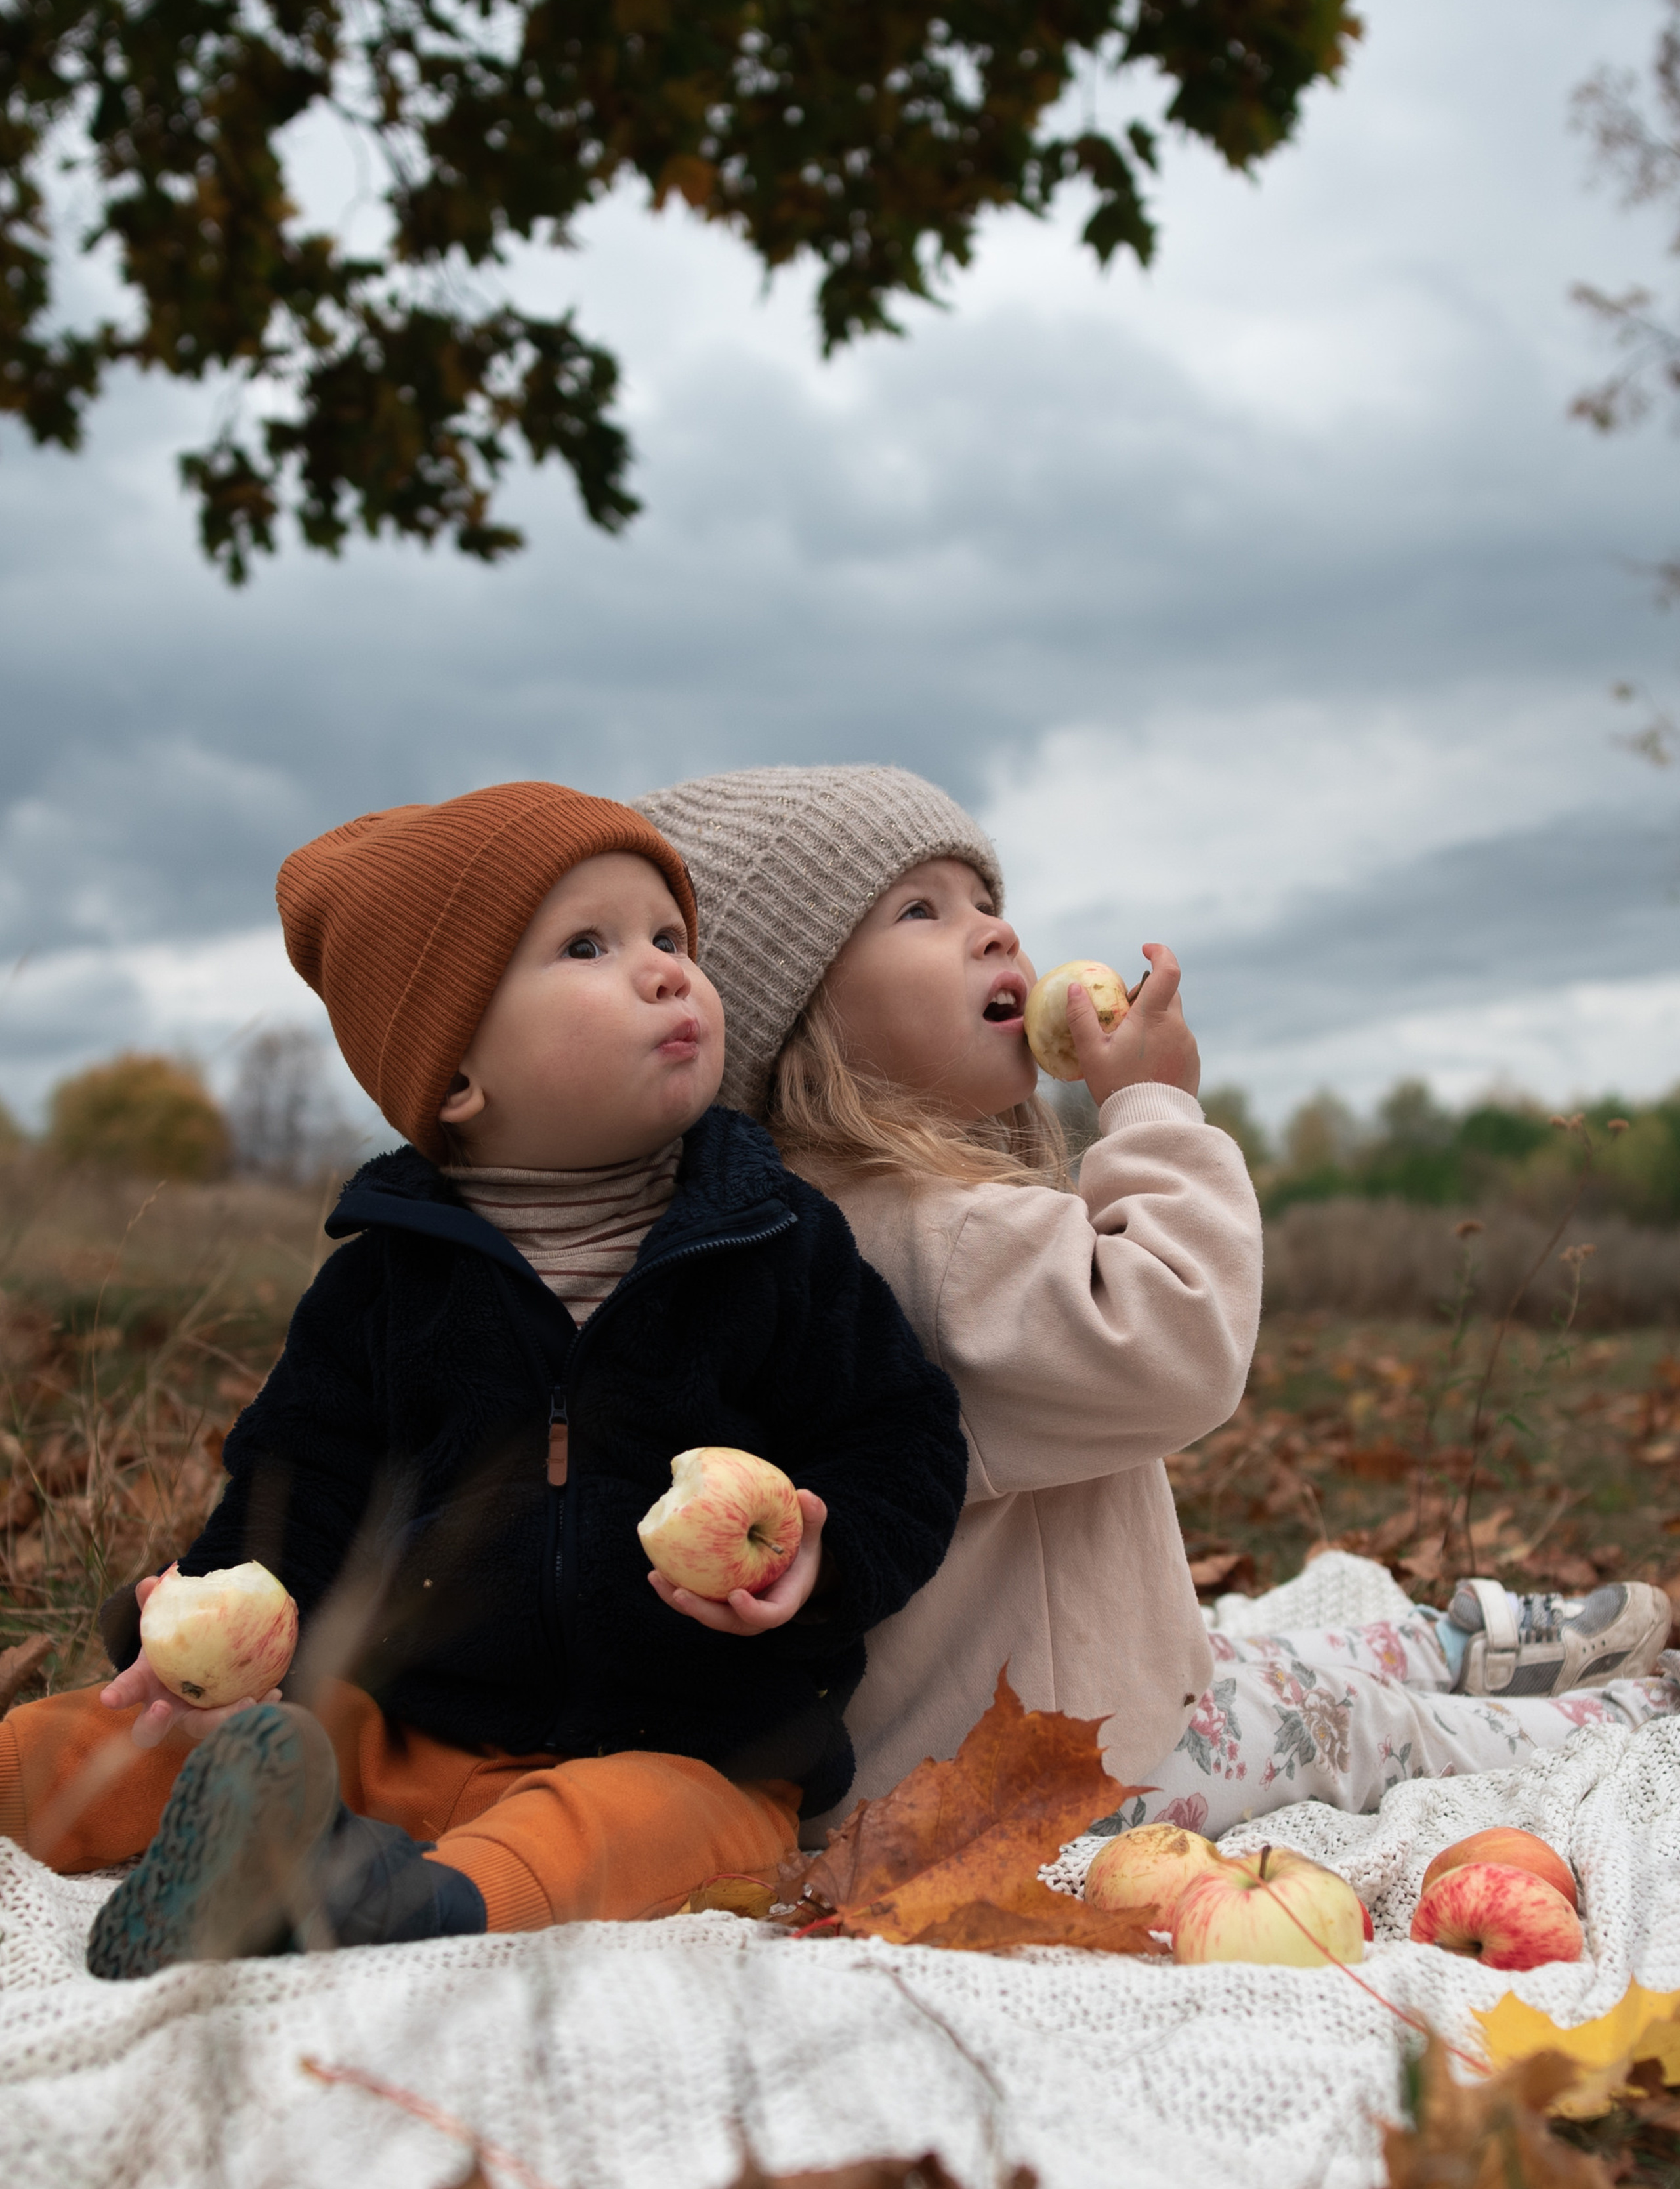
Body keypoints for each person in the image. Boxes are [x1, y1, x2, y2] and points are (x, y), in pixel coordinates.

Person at [0, 781, 967, 1973]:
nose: (666, 974)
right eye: (589, 947)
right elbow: (297, 1485)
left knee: (656, 1829)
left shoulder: (774, 1244)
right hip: (400, 1717)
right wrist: (200, 1623)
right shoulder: (388, 1281)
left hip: (689, 1739)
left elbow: (904, 1437)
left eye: (672, 939)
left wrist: (825, 1550)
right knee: (139, 1733)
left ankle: (404, 1900)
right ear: (455, 1071)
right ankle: (100, 1798)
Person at [629, 764, 1678, 1840]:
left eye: (986, 901)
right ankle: (1624, 1730)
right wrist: (1153, 1106)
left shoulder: (805, 1230)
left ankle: (1451, 1648)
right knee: (1344, 1725)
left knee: (1263, 1664)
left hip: (979, 1727)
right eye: (920, 911)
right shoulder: (940, 1241)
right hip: (1039, 1773)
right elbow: (1178, 1341)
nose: (996, 932)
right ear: (793, 1016)